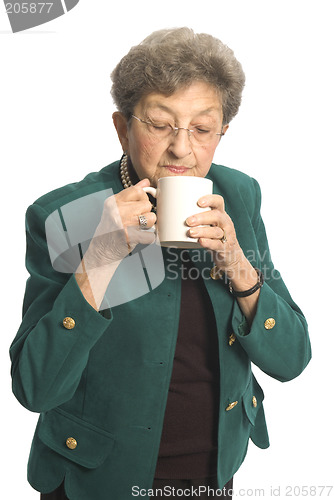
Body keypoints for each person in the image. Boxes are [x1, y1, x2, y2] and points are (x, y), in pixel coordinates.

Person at [10, 27, 311, 500]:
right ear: (122, 127)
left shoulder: (238, 195)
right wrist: (102, 254)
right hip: (98, 479)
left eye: (202, 128)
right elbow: (36, 388)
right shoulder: (65, 215)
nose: (181, 148)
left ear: (222, 133)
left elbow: (292, 359)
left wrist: (239, 266)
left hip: (212, 476)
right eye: (160, 123)